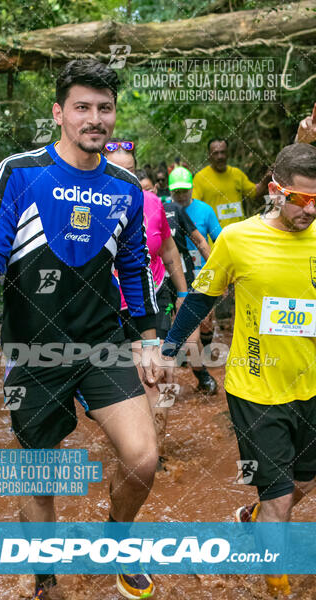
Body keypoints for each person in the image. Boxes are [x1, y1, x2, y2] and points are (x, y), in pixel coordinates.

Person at [0, 59, 164, 600]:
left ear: (114, 115)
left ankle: (118, 541)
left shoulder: (123, 186)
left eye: (104, 108)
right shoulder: (21, 172)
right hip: (35, 351)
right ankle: (46, 579)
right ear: (59, 113)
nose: (95, 119)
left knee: (143, 457)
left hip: (102, 343)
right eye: (82, 108)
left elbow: (135, 264)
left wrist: (146, 336)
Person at [162, 143, 316, 597]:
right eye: (302, 199)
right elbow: (201, 299)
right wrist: (169, 352)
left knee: (302, 481)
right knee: (279, 502)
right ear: (275, 191)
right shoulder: (238, 239)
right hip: (255, 390)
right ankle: (279, 588)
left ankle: (256, 516)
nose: (310, 210)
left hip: (310, 385)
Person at [102, 142, 188, 466]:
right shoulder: (86, 206)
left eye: (131, 171)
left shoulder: (152, 204)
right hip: (109, 306)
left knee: (161, 375)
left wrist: (182, 295)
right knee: (126, 381)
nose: (125, 176)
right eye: (116, 169)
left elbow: (169, 251)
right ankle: (134, 446)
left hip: (154, 298)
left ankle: (156, 454)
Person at [165, 168, 217, 394]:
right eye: (177, 192)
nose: (181, 196)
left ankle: (202, 373)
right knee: (169, 336)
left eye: (185, 191)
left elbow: (206, 242)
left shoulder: (201, 210)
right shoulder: (161, 209)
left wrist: (219, 273)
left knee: (200, 327)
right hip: (160, 281)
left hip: (192, 277)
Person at [192, 138, 271, 228]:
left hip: (238, 233)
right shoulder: (200, 177)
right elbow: (194, 207)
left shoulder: (237, 174)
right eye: (215, 153)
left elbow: (255, 192)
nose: (220, 157)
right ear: (209, 155)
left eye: (223, 152)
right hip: (216, 236)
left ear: (228, 154)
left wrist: (267, 178)